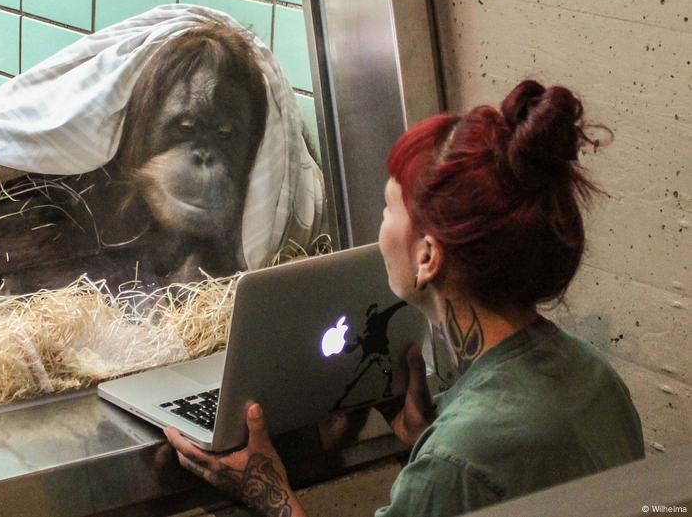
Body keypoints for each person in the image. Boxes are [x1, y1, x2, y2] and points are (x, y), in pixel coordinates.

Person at [164, 79, 646, 517]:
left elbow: (471, 466)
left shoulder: (454, 461)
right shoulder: (593, 376)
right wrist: (426, 434)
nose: (380, 228)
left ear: (427, 257)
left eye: (387, 208)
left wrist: (268, 492)